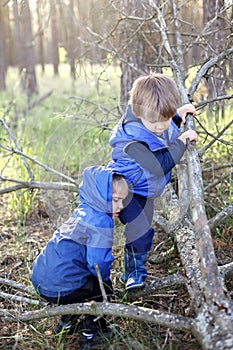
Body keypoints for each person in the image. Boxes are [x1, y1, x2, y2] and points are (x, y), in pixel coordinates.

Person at [107, 73, 198, 291]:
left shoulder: (152, 123)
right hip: (126, 190)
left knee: (143, 230)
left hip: (142, 188)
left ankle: (128, 270)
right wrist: (183, 142)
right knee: (141, 229)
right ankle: (133, 274)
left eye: (164, 121)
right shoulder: (132, 141)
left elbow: (162, 132)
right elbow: (159, 165)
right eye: (155, 122)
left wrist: (176, 117)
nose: (160, 127)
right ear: (139, 115)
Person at [30, 165, 128, 349]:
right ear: (100, 197)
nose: (121, 206)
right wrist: (105, 282)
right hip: (61, 286)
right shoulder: (101, 222)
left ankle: (66, 324)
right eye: (116, 200)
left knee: (75, 278)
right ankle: (92, 334)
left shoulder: (83, 211)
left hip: (41, 281)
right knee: (101, 288)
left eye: (122, 200)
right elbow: (98, 263)